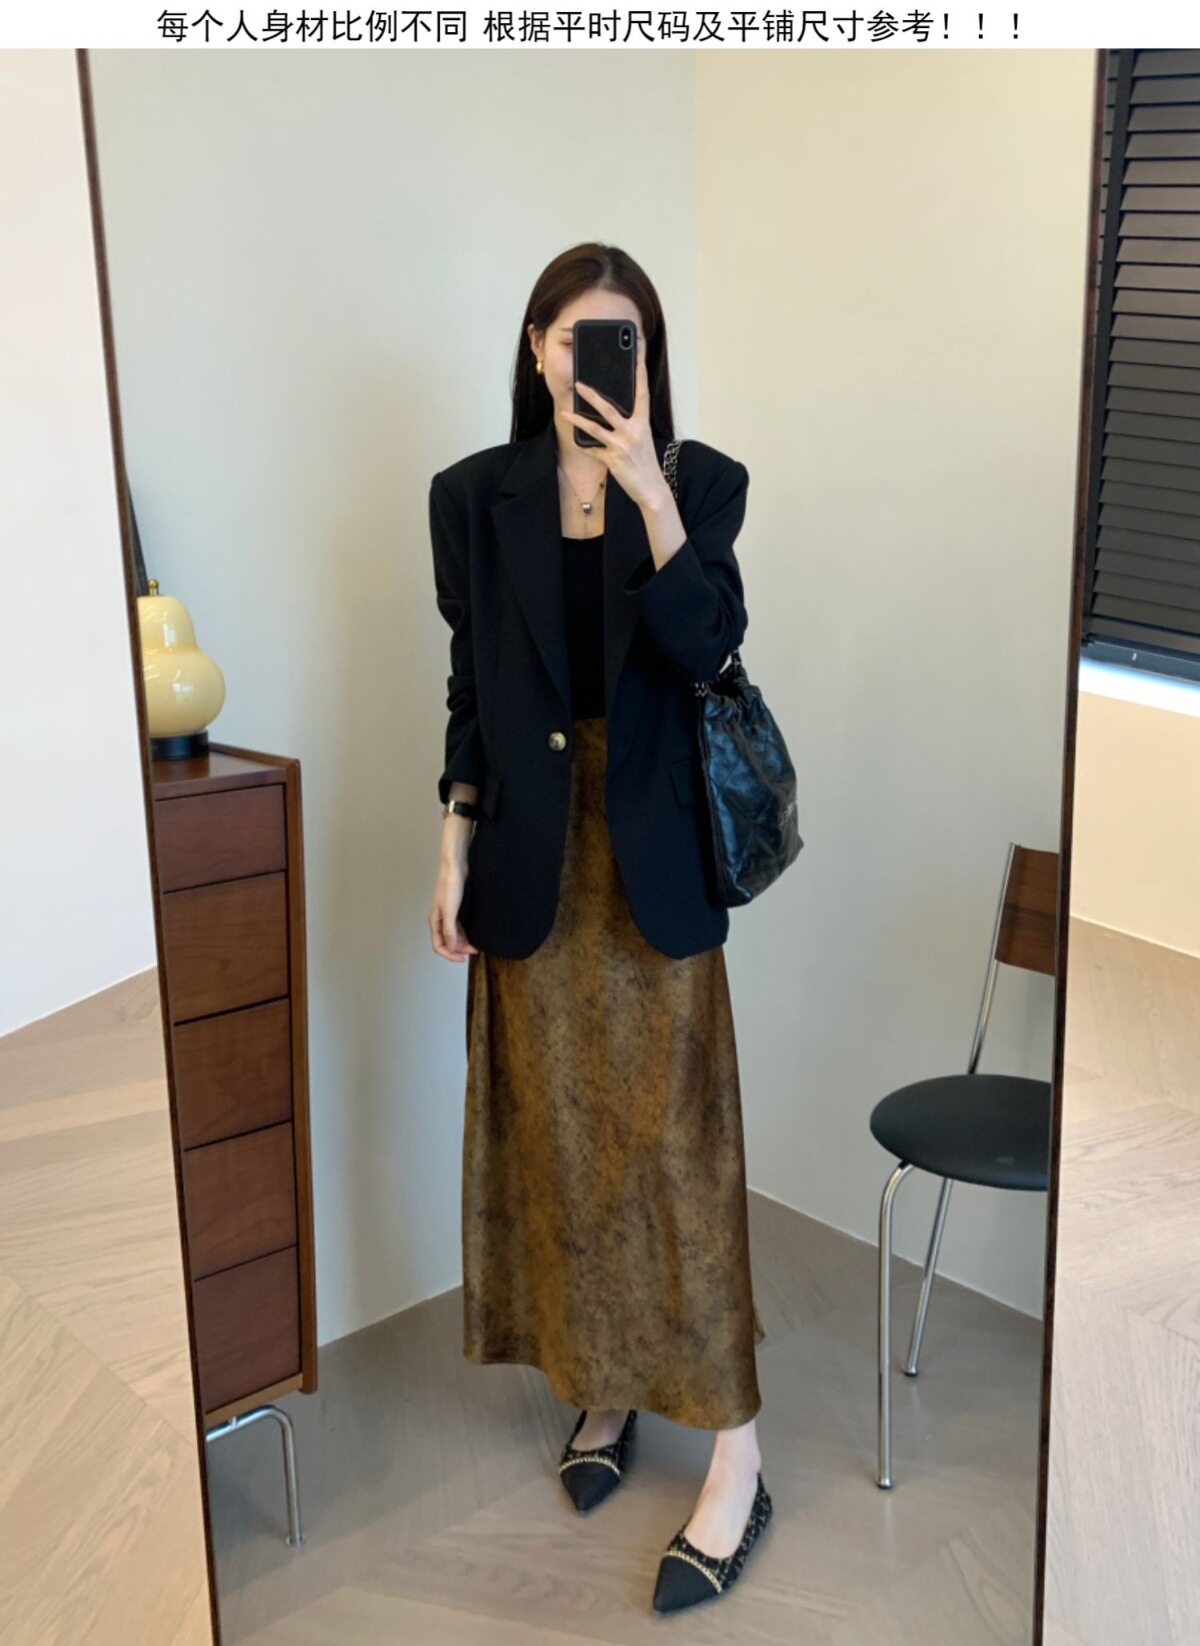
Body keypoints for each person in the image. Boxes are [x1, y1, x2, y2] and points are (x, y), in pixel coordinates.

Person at [427, 242, 772, 1612]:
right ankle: (605, 1389)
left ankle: (738, 1456)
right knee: (565, 1149)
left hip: (653, 864)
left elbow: (710, 646)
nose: (599, 363)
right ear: (536, 348)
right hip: (530, 862)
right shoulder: (474, 497)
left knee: (679, 1156)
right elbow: (472, 686)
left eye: (625, 340)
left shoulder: (703, 483)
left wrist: (649, 495)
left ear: (650, 357)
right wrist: (451, 838)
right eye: (578, 338)